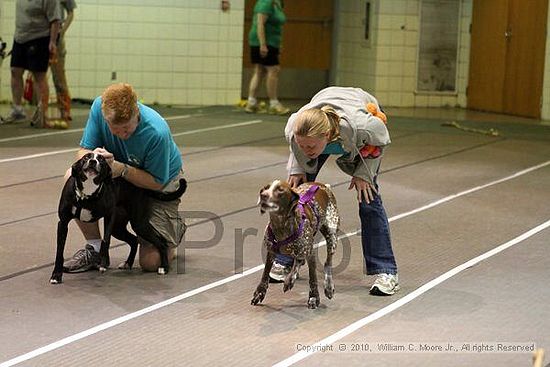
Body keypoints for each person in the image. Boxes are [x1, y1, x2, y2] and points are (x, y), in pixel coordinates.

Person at [271, 86, 399, 296]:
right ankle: (286, 258)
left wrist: (363, 174)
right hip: (321, 106)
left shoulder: (364, 127)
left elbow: (381, 141)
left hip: (361, 117)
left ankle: (386, 271)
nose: (307, 151)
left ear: (328, 136)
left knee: (369, 200)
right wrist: (296, 167)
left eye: (311, 148)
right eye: (303, 146)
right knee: (294, 198)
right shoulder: (295, 129)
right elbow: (298, 145)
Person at [63, 83, 186, 273]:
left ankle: (171, 233)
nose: (121, 134)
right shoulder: (99, 108)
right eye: (115, 129)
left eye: (127, 128)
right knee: (70, 178)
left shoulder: (156, 132)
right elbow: (83, 151)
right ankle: (95, 248)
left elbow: (156, 182)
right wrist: (93, 158)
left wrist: (123, 170)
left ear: (136, 112)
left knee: (151, 263)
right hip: (118, 174)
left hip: (159, 183)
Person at [0, 0, 60, 127]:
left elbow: (55, 21)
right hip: (20, 38)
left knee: (39, 76)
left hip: (39, 38)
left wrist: (53, 42)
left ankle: (41, 114)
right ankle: (17, 110)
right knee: (15, 71)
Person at [245, 0, 289, 115]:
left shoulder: (278, 3)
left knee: (259, 70)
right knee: (273, 70)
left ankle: (252, 102)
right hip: (263, 42)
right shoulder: (265, 2)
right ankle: (274, 104)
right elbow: (260, 23)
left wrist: (278, 44)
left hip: (272, 42)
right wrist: (263, 44)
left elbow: (278, 26)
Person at [50, 0, 76, 123]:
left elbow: (71, 13)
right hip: (38, 35)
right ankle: (40, 111)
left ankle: (64, 109)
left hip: (57, 37)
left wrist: (62, 31)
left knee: (59, 77)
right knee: (38, 77)